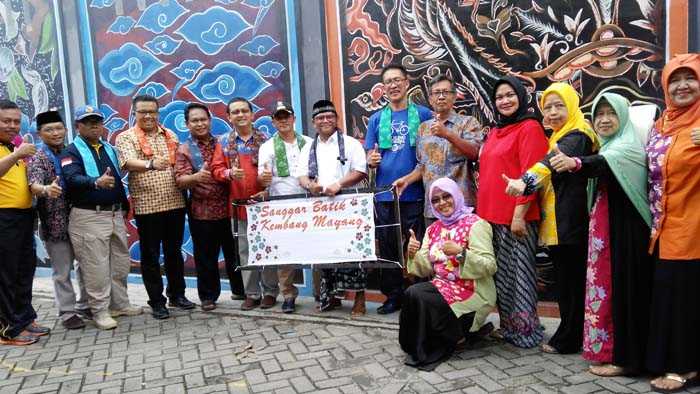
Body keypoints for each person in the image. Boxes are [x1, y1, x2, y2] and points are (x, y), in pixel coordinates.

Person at [549, 92, 653, 376]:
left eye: (611, 114)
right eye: (599, 115)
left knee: (625, 292)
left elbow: (602, 163)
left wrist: (576, 163)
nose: (605, 120)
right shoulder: (610, 145)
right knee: (609, 292)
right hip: (607, 233)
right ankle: (610, 352)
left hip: (627, 235)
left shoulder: (626, 147)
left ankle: (626, 359)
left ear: (623, 117)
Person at [503, 82, 598, 354]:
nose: (553, 113)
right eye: (548, 107)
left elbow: (548, 164)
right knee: (568, 283)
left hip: (572, 223)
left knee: (572, 284)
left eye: (560, 106)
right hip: (562, 223)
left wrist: (525, 181)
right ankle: (572, 335)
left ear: (572, 106)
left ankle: (569, 339)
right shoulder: (559, 135)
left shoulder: (577, 134)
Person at [477, 76, 548, 348]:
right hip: (491, 217)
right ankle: (509, 328)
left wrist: (519, 215)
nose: (504, 101)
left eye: (510, 95)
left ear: (521, 96)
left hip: (516, 218)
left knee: (520, 277)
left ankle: (527, 331)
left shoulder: (529, 128)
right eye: (499, 97)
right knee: (502, 278)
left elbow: (533, 174)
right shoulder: (495, 130)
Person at [643, 53, 700, 393]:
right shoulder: (663, 122)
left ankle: (685, 366)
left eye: (690, 78)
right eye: (674, 80)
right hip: (663, 225)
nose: (682, 86)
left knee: (683, 299)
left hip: (692, 226)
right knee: (672, 296)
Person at [400, 177, 497, 371]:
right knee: (413, 293)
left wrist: (461, 253)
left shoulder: (476, 224)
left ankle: (458, 334)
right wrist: (412, 253)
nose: (442, 203)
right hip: (443, 287)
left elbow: (489, 266)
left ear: (457, 195)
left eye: (446, 196)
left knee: (420, 294)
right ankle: (423, 344)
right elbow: (425, 268)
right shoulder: (433, 228)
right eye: (435, 200)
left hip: (473, 291)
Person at [62, 105, 142, 330]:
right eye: (88, 122)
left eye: (97, 120)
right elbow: (72, 177)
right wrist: (95, 181)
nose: (94, 125)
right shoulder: (71, 152)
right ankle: (99, 311)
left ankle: (120, 304)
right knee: (95, 266)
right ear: (78, 126)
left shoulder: (108, 148)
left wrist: (124, 206)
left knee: (119, 263)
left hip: (114, 213)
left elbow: (117, 179)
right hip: (89, 215)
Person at [116, 95, 194, 320]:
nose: (148, 116)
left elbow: (180, 164)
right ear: (134, 113)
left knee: (173, 253)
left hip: (175, 203)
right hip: (147, 207)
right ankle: (157, 302)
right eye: (143, 112)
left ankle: (177, 294)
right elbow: (128, 163)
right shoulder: (126, 138)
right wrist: (150, 164)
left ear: (158, 113)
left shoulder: (169, 135)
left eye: (152, 112)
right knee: (150, 256)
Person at [364, 64, 432, 315]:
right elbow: (369, 154)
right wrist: (370, 160)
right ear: (383, 88)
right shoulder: (376, 119)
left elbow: (432, 154)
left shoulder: (424, 114)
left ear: (406, 83)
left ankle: (419, 295)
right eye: (388, 82)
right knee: (390, 247)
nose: (392, 85)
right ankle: (393, 295)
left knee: (416, 245)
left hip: (414, 192)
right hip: (384, 194)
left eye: (397, 80)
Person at [297, 99, 367, 315]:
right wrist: (311, 185)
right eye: (320, 118)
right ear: (313, 122)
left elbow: (360, 170)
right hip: (320, 209)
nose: (325, 120)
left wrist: (339, 184)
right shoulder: (308, 146)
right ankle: (332, 298)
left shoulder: (351, 143)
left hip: (348, 206)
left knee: (355, 252)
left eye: (329, 117)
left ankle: (360, 299)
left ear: (336, 119)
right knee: (326, 252)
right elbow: (301, 175)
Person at [394, 73, 483, 225]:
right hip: (433, 208)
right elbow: (423, 166)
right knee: (434, 249)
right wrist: (406, 180)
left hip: (462, 207)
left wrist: (447, 134)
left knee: (464, 248)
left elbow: (475, 153)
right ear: (430, 99)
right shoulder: (423, 128)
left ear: (454, 97)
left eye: (446, 92)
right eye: (436, 93)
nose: (441, 97)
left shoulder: (468, 123)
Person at [175, 103, 239, 311]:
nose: (200, 123)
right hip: (202, 212)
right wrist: (196, 177)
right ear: (187, 124)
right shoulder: (184, 149)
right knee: (205, 257)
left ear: (210, 120)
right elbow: (180, 180)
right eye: (195, 120)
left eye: (203, 119)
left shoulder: (225, 143)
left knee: (235, 252)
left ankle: (241, 290)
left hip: (229, 208)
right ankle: (208, 296)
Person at [27, 110, 88, 330]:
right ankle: (67, 312)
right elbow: (33, 185)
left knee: (85, 265)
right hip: (55, 223)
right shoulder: (38, 158)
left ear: (65, 128)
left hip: (81, 219)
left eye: (59, 128)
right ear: (39, 133)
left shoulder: (72, 152)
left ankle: (85, 304)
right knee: (62, 271)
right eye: (49, 129)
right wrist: (46, 189)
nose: (55, 133)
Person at [211, 97, 273, 310]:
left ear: (252, 114)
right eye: (235, 112)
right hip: (238, 207)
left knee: (268, 248)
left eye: (244, 111)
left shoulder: (265, 139)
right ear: (228, 117)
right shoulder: (224, 142)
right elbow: (216, 169)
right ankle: (252, 293)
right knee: (245, 250)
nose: (240, 115)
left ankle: (271, 292)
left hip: (264, 206)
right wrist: (228, 173)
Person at [0, 100, 48, 345]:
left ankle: (25, 318)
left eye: (16, 121)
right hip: (3, 218)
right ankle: (8, 329)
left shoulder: (14, 145)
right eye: (6, 120)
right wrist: (18, 154)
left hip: (23, 217)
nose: (12, 125)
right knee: (6, 274)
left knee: (24, 270)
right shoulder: (14, 150)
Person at [257, 102, 312, 313]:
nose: (283, 120)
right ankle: (288, 294)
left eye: (286, 116)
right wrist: (263, 179)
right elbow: (263, 180)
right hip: (281, 206)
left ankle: (320, 292)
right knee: (285, 252)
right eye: (279, 117)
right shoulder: (267, 147)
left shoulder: (308, 142)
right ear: (273, 121)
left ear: (294, 118)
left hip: (309, 203)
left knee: (315, 248)